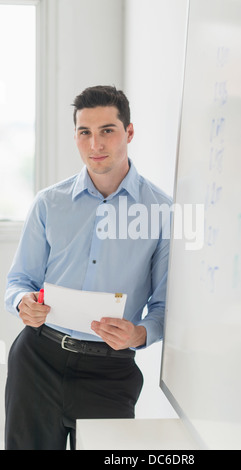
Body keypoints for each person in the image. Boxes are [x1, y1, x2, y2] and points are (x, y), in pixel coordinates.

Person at [4, 85, 172, 450]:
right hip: (37, 362)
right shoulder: (49, 203)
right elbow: (18, 281)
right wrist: (23, 303)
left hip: (110, 374)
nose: (95, 144)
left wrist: (138, 335)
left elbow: (163, 309)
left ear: (128, 132)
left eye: (107, 131)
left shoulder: (162, 212)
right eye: (85, 133)